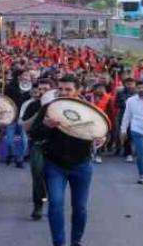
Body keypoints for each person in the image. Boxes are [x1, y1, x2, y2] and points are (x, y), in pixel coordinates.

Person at [31, 76, 105, 246]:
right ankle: (59, 243)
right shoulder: (50, 108)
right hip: (54, 165)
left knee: (80, 208)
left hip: (82, 165)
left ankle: (76, 241)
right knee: (55, 205)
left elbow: (101, 130)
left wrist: (102, 138)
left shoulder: (89, 110)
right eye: (61, 89)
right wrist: (45, 126)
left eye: (68, 89)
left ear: (77, 90)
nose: (64, 93)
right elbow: (34, 133)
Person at [23, 79, 53, 221]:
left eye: (46, 89)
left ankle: (52, 203)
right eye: (40, 89)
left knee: (53, 177)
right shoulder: (33, 105)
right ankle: (38, 206)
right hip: (38, 144)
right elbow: (26, 126)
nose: (42, 92)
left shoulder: (60, 105)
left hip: (56, 146)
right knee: (37, 176)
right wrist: (41, 111)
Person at [4, 69, 32, 168]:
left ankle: (19, 159)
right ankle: (11, 154)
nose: (27, 77)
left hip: (23, 118)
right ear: (19, 76)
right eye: (25, 75)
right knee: (9, 140)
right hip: (12, 117)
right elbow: (6, 100)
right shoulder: (10, 87)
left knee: (24, 141)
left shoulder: (30, 88)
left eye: (28, 75)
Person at [115, 78, 137, 162]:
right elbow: (116, 104)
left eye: (132, 83)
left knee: (135, 134)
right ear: (125, 84)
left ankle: (135, 151)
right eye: (128, 83)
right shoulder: (120, 93)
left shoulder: (138, 93)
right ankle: (128, 153)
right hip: (124, 115)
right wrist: (124, 104)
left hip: (136, 117)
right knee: (126, 134)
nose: (130, 85)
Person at [91, 83, 113, 164]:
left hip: (102, 121)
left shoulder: (108, 98)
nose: (100, 90)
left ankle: (98, 155)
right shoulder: (88, 97)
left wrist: (110, 122)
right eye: (98, 88)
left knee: (99, 138)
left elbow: (111, 111)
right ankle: (91, 153)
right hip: (89, 120)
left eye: (102, 88)